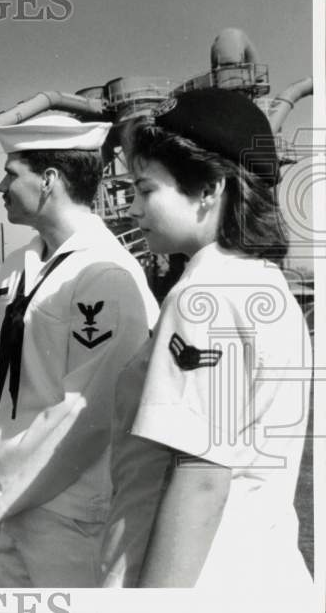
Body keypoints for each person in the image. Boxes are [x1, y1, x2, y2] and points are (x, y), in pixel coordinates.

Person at [98, 88, 312, 596]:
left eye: (146, 190)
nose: (131, 208)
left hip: (203, 582)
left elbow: (201, 479)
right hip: (263, 571)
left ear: (210, 187)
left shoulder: (203, 297)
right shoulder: (267, 286)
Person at [0, 114, 158, 587]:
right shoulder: (17, 267)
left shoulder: (106, 275)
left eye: (11, 173)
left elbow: (87, 413)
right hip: (15, 497)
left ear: (48, 180)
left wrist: (3, 477)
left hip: (74, 509)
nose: (1, 186)